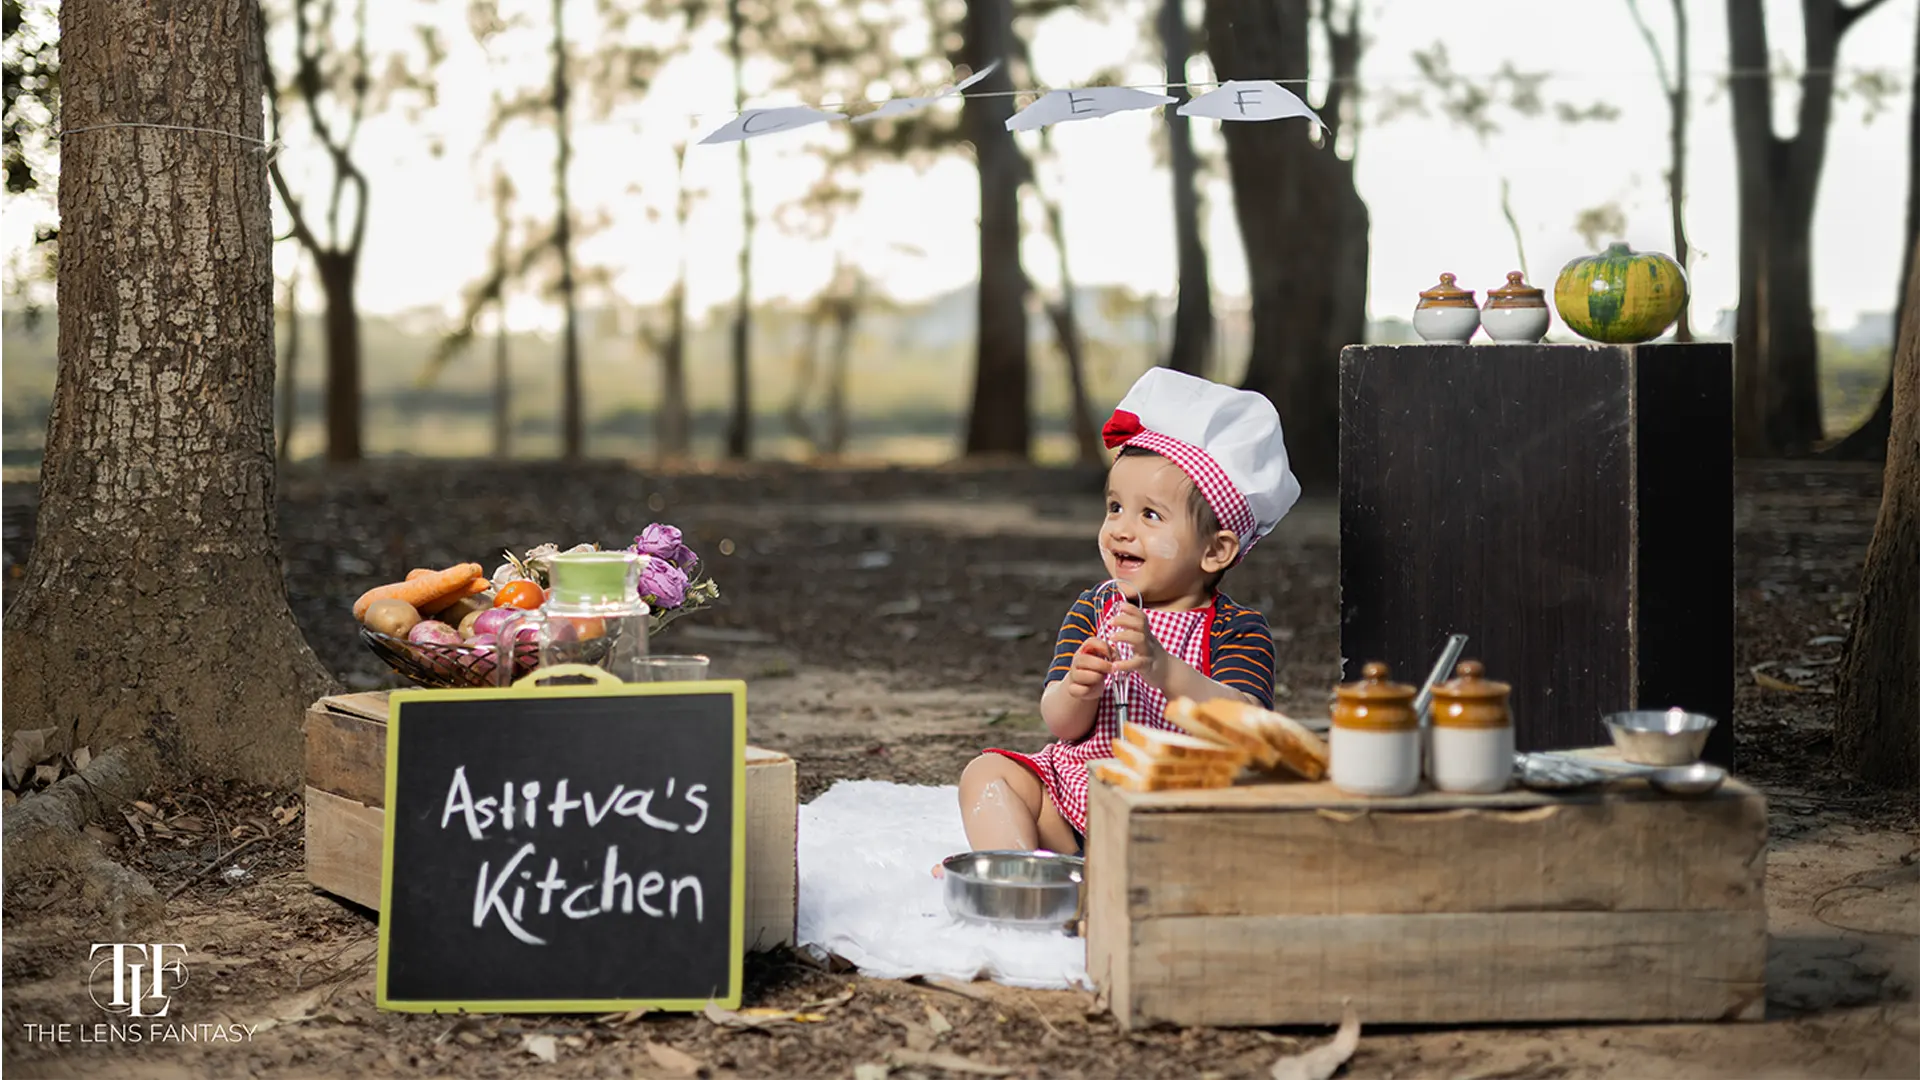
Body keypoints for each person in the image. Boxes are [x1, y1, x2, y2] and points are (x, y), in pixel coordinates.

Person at [955, 368, 1301, 856]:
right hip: (1077, 798)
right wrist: (1079, 688)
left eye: (1150, 515)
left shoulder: (1235, 629)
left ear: (1216, 550)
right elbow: (1062, 724)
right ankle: (1025, 870)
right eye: (1115, 507)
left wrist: (1165, 669)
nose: (1120, 529)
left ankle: (1094, 878)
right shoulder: (1095, 607)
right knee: (988, 774)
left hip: (1174, 810)